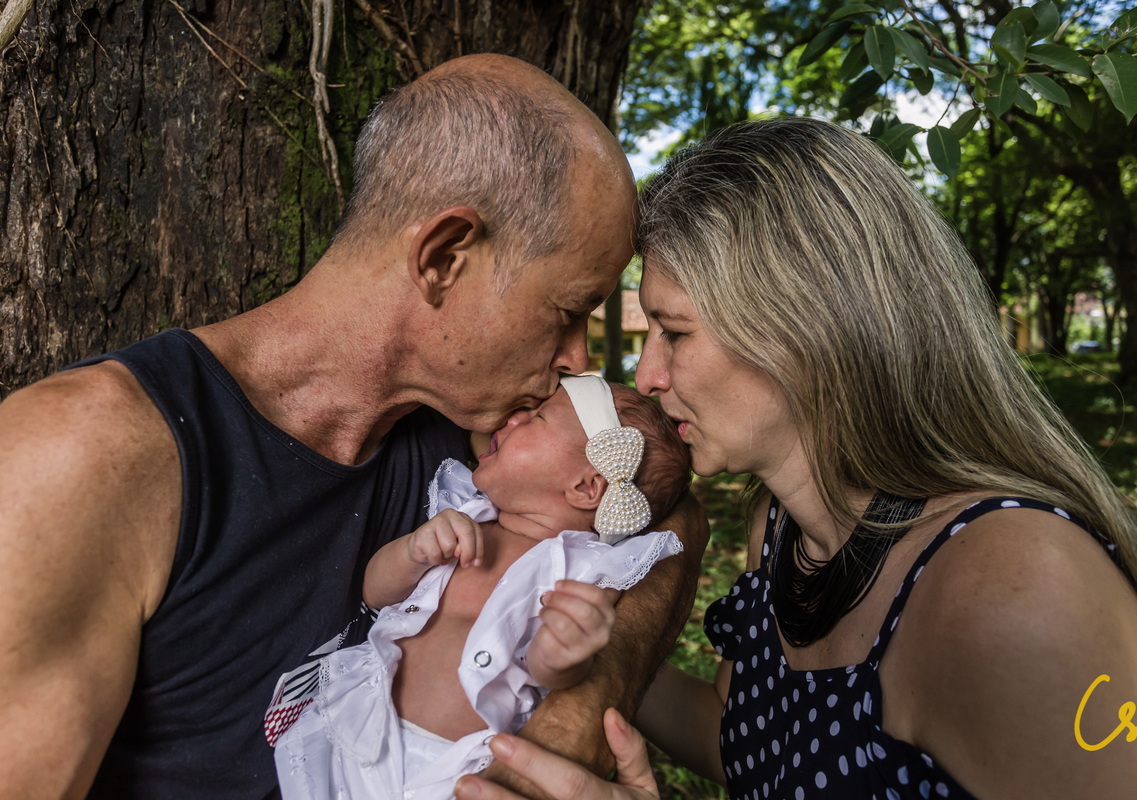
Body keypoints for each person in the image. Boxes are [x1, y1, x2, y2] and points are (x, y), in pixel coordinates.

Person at [0, 55, 708, 800]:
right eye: (568, 312)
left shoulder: (462, 426)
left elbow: (666, 508)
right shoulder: (81, 460)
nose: (574, 361)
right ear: (443, 257)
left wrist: (566, 720)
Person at [452, 116, 1137, 800]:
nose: (647, 377)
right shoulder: (780, 530)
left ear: (802, 332)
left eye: (675, 334)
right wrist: (574, 652)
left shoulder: (1018, 592)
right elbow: (741, 738)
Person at [270, 376, 692, 799]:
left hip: (453, 768)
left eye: (539, 417)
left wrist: (561, 653)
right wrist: (412, 552)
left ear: (585, 487)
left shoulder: (585, 570)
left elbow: (552, 674)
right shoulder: (464, 513)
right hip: (357, 724)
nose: (514, 418)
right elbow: (374, 596)